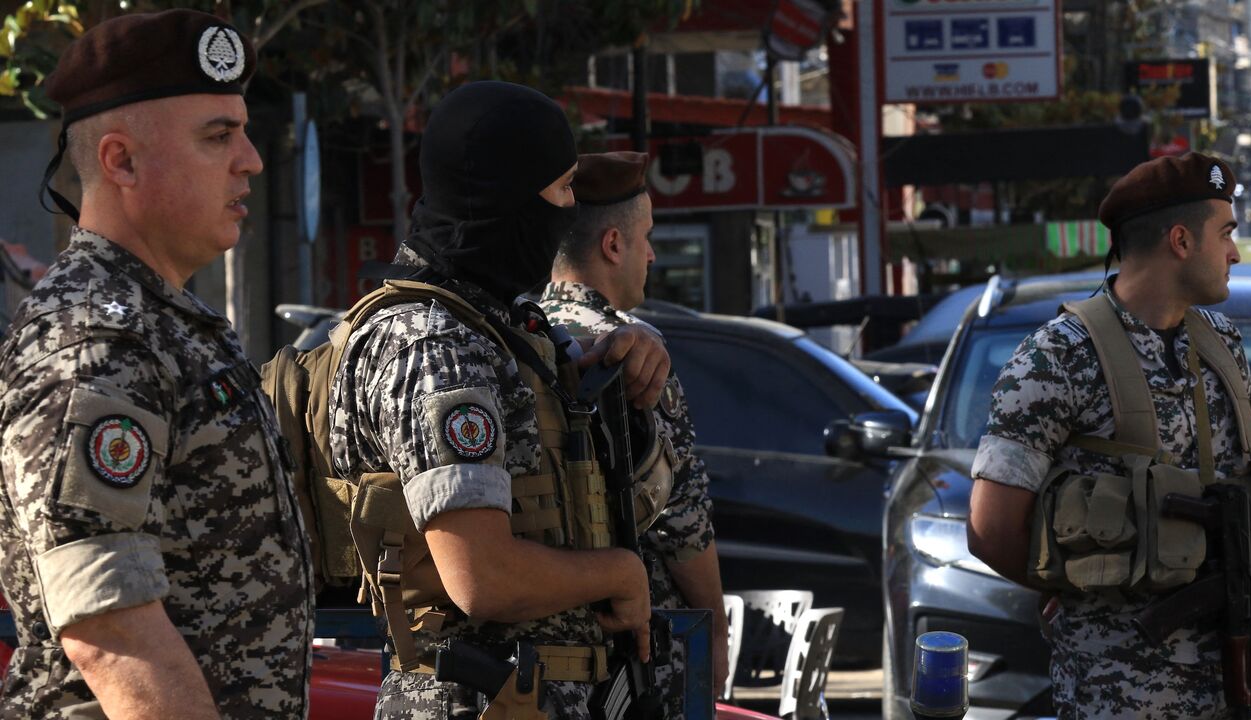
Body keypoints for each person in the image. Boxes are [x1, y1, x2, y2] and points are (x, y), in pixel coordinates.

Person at [0, 9, 313, 719]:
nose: (252, 160)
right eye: (218, 136)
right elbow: (109, 632)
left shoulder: (165, 320)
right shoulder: (93, 340)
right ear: (121, 161)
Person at [329, 81, 671, 718]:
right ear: (504, 195)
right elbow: (482, 578)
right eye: (562, 188)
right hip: (473, 699)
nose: (570, 211)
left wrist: (628, 342)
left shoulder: (499, 322)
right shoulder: (430, 345)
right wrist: (620, 573)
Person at [967, 152, 1251, 718]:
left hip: (1243, 671)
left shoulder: (1222, 344)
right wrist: (1075, 587)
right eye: (1226, 233)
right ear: (1181, 241)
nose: (1235, 252)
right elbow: (991, 529)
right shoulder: (1056, 357)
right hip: (1125, 688)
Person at [538, 151, 731, 709]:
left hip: (532, 653)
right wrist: (714, 630)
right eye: (644, 236)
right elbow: (684, 525)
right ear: (613, 245)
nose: (650, 253)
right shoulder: (635, 355)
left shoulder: (516, 340)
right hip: (638, 653)